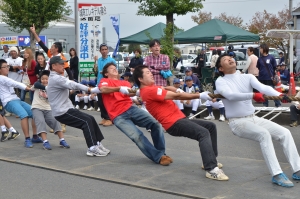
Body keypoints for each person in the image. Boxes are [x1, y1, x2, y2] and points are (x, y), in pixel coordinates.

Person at [215, 53, 300, 187]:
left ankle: (297, 170)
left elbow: (264, 88)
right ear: (221, 68)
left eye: (230, 58)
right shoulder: (221, 81)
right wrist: (253, 95)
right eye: (225, 59)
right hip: (237, 122)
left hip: (253, 118)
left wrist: (281, 95)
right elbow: (230, 96)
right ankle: (277, 174)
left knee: (285, 133)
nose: (230, 59)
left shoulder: (248, 77)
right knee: (264, 134)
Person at [133, 65, 228, 181]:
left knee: (211, 126)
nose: (151, 74)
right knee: (203, 133)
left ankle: (211, 158)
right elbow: (176, 96)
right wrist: (199, 95)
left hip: (179, 119)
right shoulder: (149, 91)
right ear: (140, 79)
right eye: (147, 73)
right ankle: (211, 169)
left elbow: (167, 88)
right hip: (173, 123)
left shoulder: (151, 89)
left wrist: (177, 89)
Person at [99, 62, 172, 166]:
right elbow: (103, 89)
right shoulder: (104, 81)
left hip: (131, 108)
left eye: (115, 67)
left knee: (156, 124)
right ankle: (159, 157)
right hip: (118, 115)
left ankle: (161, 153)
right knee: (137, 136)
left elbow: (132, 93)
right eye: (111, 68)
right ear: (106, 73)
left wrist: (142, 93)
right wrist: (119, 88)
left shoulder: (125, 82)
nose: (115, 69)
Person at [46, 56, 109, 157]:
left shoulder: (58, 77)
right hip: (62, 112)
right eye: (61, 64)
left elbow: (69, 87)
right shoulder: (56, 78)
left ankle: (97, 143)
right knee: (86, 122)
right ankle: (92, 148)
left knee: (91, 118)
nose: (64, 65)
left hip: (66, 108)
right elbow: (72, 84)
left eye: (64, 63)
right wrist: (90, 90)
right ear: (53, 66)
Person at [0, 59, 40, 148]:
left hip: (16, 99)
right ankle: (27, 139)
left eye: (8, 66)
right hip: (9, 102)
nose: (8, 68)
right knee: (24, 115)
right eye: (5, 67)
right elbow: (15, 83)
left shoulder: (5, 77)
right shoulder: (1, 78)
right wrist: (28, 88)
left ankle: (35, 136)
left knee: (35, 112)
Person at [31, 70, 70, 150]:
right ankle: (45, 141)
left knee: (55, 121)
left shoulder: (53, 88)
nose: (45, 80)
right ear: (40, 79)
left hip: (48, 108)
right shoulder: (37, 85)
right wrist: (45, 87)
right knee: (40, 121)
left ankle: (62, 140)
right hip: (37, 107)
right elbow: (35, 84)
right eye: (43, 79)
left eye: (47, 79)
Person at [96, 43, 116, 126]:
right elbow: (96, 71)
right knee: (101, 101)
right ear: (100, 51)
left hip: (108, 83)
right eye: (102, 50)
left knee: (108, 101)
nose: (104, 51)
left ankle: (109, 118)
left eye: (105, 49)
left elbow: (115, 73)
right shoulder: (99, 60)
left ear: (108, 50)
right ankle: (104, 117)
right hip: (100, 82)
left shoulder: (112, 60)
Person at [257, 43, 281, 107]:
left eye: (261, 48)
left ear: (264, 49)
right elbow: (259, 67)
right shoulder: (260, 59)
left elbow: (274, 67)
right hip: (262, 78)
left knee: (272, 92)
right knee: (263, 93)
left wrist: (274, 74)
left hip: (270, 78)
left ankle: (278, 104)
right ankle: (265, 104)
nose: (260, 50)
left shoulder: (271, 57)